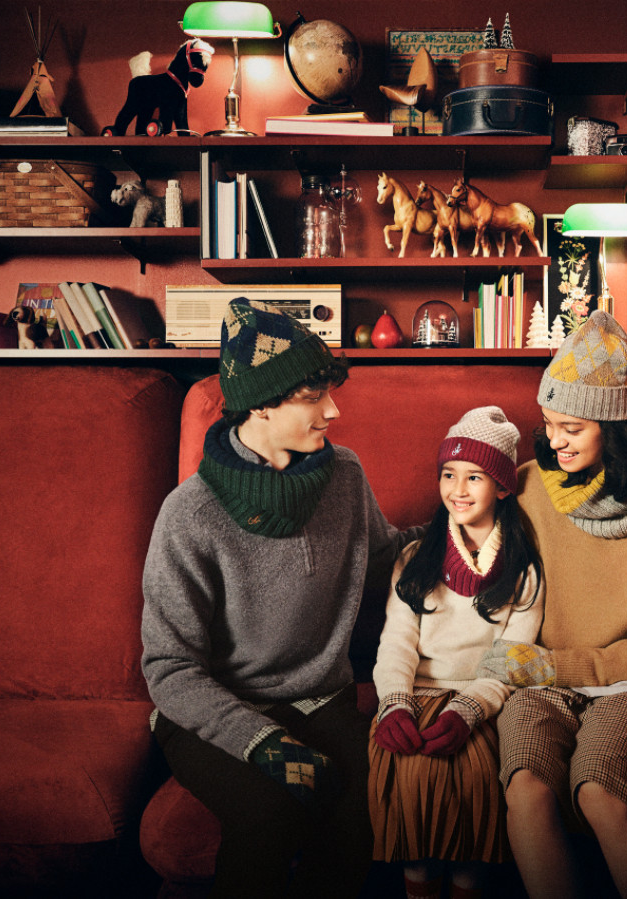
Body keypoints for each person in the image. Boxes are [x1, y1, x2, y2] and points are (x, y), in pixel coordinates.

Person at [141, 298, 420, 898]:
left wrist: (472, 524)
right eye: (313, 396)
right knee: (270, 815)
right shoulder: (189, 514)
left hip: (321, 698)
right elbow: (169, 669)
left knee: (368, 801)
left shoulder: (344, 475)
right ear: (262, 405)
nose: (333, 409)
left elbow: (383, 561)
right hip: (215, 708)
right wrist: (262, 743)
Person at [477, 311, 627, 899]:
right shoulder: (528, 485)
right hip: (538, 683)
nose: (554, 440)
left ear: (615, 427)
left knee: (601, 787)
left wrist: (554, 666)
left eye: (572, 428)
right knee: (525, 784)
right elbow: (460, 550)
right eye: (549, 424)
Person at [369, 406, 544, 899]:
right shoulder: (414, 559)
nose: (458, 489)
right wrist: (394, 702)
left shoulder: (524, 571)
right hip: (417, 692)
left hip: (480, 700)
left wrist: (470, 709)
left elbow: (512, 658)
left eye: (475, 477)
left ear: (503, 488)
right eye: (449, 474)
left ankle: (469, 884)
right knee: (411, 776)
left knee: (472, 780)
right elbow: (396, 643)